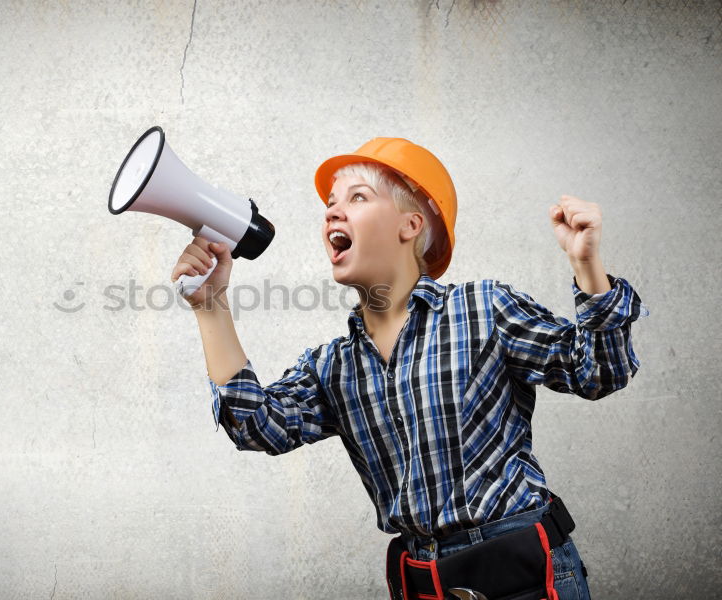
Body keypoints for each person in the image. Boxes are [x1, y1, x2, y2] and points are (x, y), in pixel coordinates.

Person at [171, 137, 649, 599]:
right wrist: (210, 306)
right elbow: (258, 426)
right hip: (423, 581)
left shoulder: (485, 309)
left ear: (411, 225)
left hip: (524, 574)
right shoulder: (332, 366)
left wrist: (589, 267)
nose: (332, 211)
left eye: (357, 197)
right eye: (331, 203)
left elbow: (598, 373)